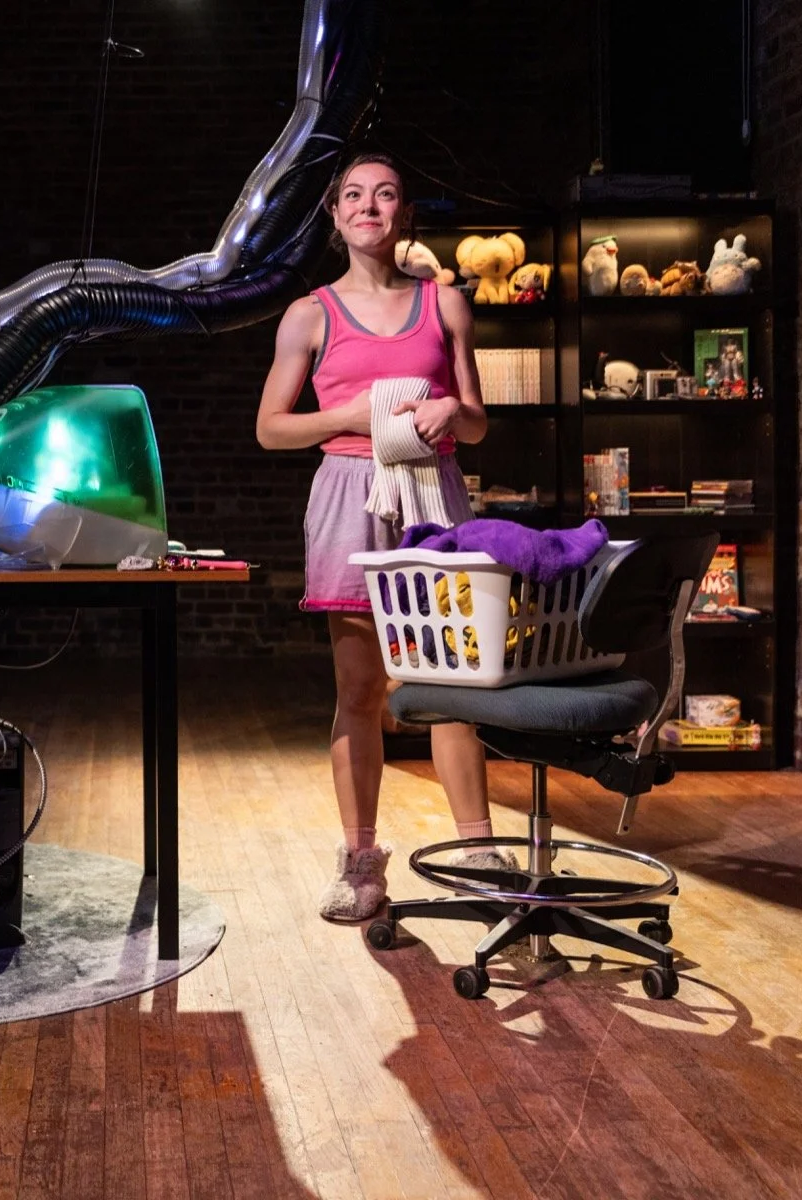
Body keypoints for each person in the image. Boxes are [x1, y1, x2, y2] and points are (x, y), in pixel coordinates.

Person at [255, 152, 507, 922]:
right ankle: (362, 864)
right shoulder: (309, 314)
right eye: (354, 195)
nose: (370, 205)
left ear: (404, 215)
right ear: (335, 217)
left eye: (386, 193)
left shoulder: (446, 305)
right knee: (362, 688)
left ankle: (476, 853)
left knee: (455, 684)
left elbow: (477, 419)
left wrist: (447, 416)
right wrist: (348, 414)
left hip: (435, 494)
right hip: (349, 491)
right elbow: (271, 429)